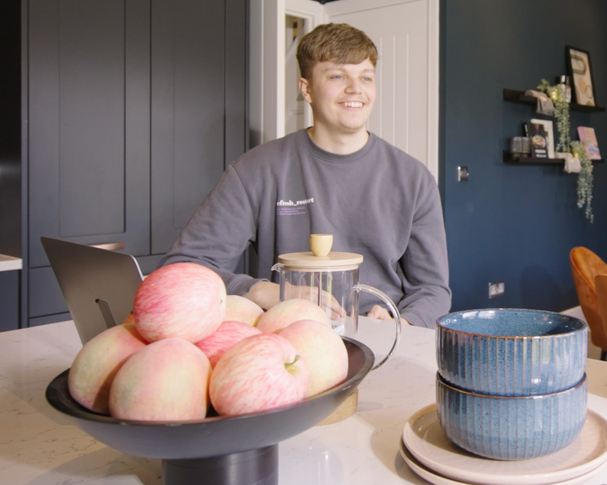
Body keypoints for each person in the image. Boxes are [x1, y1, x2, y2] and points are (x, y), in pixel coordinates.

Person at [162, 23, 451, 328]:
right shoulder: (255, 170)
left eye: (365, 77)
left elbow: (432, 289)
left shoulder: (414, 179)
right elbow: (182, 269)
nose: (356, 89)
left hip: (382, 339)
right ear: (306, 89)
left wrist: (403, 322)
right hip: (287, 335)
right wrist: (274, 293)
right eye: (338, 76)